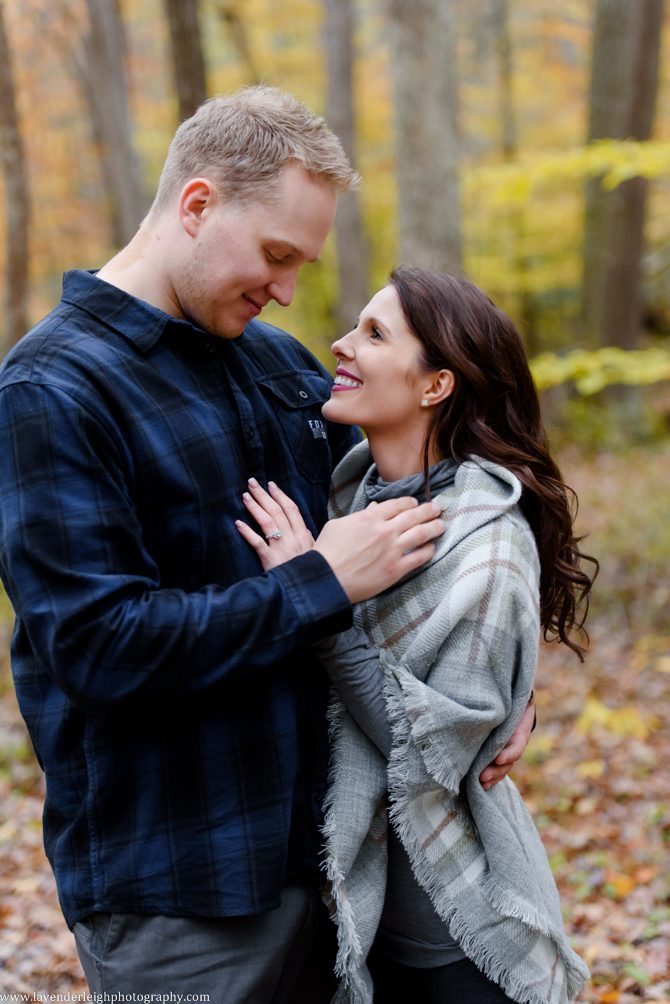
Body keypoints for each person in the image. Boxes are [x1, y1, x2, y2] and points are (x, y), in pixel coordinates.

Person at [0, 90, 532, 1002]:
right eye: (277, 256)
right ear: (197, 205)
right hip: (183, 890)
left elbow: (423, 504)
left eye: (301, 264)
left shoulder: (279, 365)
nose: (287, 289)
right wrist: (316, 584)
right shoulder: (52, 390)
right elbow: (96, 647)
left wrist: (503, 679)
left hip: (342, 862)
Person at [236, 268, 598, 1003]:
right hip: (351, 924)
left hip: (452, 939)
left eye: (374, 334)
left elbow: (427, 749)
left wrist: (317, 595)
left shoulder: (488, 547)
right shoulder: (348, 494)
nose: (339, 344)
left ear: (435, 386)